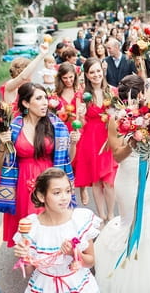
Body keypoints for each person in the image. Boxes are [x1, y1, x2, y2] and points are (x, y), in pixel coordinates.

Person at [94, 53, 150, 292]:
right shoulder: (114, 120)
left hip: (149, 178)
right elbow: (117, 155)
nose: (133, 100)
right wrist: (132, 141)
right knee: (132, 224)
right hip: (128, 179)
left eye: (135, 96)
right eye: (128, 97)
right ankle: (127, 278)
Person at [0, 83, 76, 247]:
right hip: (24, 183)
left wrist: (73, 144)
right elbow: (0, 166)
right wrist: (3, 145)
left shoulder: (56, 126)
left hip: (51, 180)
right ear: (26, 103)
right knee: (31, 232)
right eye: (39, 98)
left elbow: (69, 160)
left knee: (53, 226)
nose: (45, 102)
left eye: (45, 98)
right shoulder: (13, 127)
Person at [13, 168, 101, 293]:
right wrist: (24, 256)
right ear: (41, 196)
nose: (64, 197)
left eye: (68, 191)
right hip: (44, 286)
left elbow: (90, 262)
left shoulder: (80, 220)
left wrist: (74, 253)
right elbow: (28, 271)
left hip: (77, 284)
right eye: (57, 193)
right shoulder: (32, 227)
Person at [72, 58, 117, 223]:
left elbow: (119, 117)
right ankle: (102, 216)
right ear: (87, 75)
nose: (96, 75)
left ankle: (111, 214)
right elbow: (80, 123)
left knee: (109, 181)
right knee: (96, 181)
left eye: (98, 71)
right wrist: (81, 114)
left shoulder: (112, 91)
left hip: (107, 138)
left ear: (103, 71)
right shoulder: (82, 95)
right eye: (92, 72)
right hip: (90, 139)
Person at [55, 63, 88, 206]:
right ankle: (68, 188)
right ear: (60, 78)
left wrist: (80, 113)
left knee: (80, 158)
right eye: (65, 78)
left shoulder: (79, 91)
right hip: (63, 129)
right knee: (66, 158)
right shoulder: (56, 95)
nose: (68, 80)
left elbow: (81, 115)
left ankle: (83, 188)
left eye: (70, 77)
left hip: (76, 127)